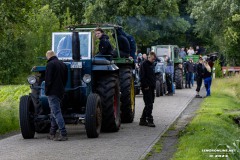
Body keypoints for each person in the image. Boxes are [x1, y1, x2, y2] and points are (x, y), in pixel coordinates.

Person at [45, 50, 68, 141]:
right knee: (54, 112)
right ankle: (52, 133)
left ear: (48, 56)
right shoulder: (63, 64)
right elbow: (65, 79)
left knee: (56, 112)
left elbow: (48, 80)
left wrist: (47, 91)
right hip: (60, 91)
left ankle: (63, 133)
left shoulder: (50, 64)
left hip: (52, 92)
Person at [139, 51, 156, 127]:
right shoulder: (144, 65)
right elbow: (142, 76)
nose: (153, 61)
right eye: (152, 59)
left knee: (149, 103)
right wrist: (145, 85)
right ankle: (149, 119)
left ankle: (142, 119)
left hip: (151, 86)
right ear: (149, 57)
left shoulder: (151, 65)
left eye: (154, 59)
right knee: (149, 104)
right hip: (146, 87)